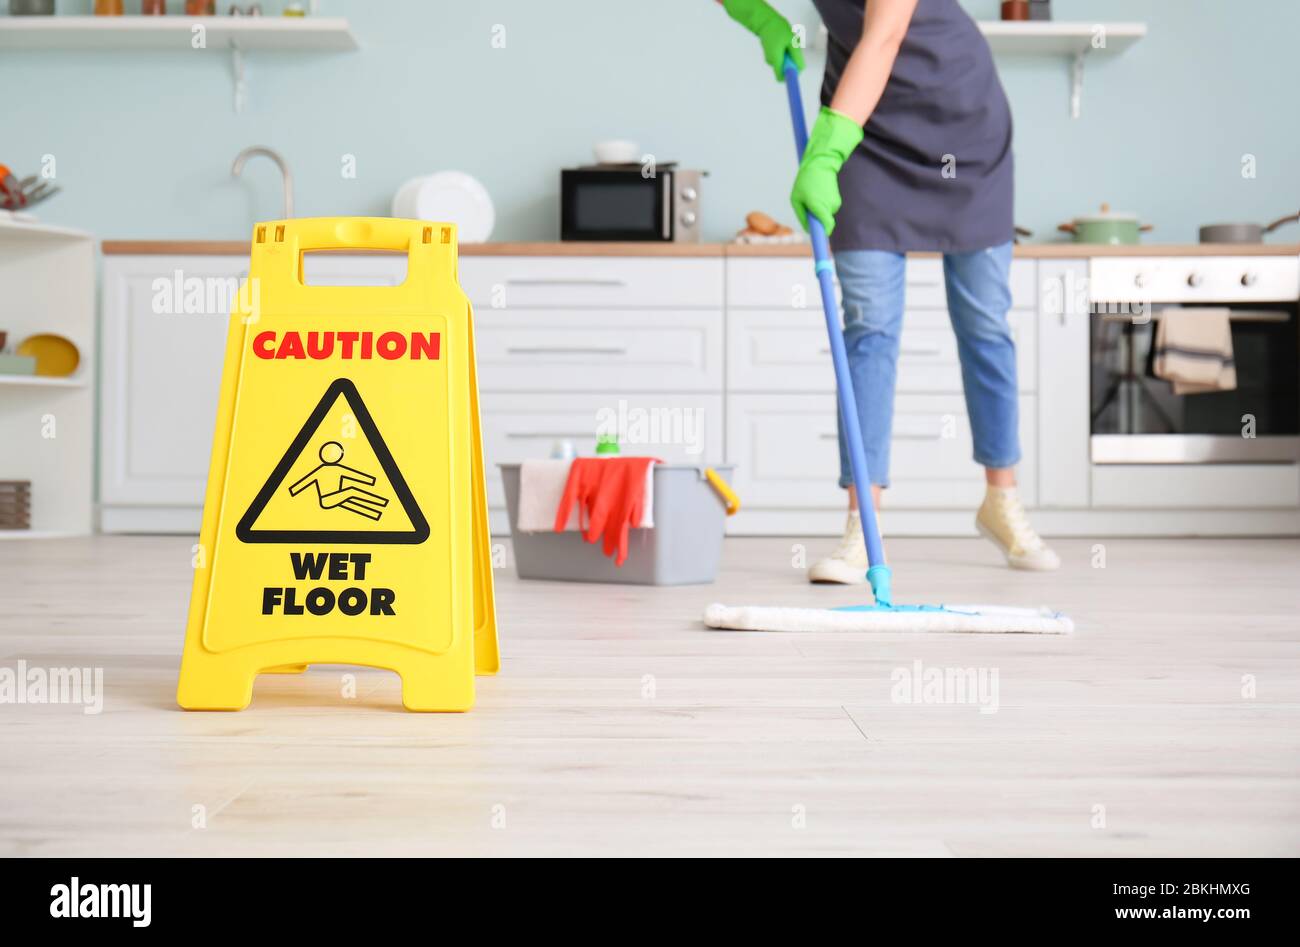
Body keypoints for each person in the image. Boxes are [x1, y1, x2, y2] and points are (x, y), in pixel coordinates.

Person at [719, 0, 1059, 580]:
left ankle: (1001, 500)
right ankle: (863, 525)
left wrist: (825, 149)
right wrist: (757, 15)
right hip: (867, 134)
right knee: (869, 327)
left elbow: (884, 34)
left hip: (959, 124)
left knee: (983, 323)